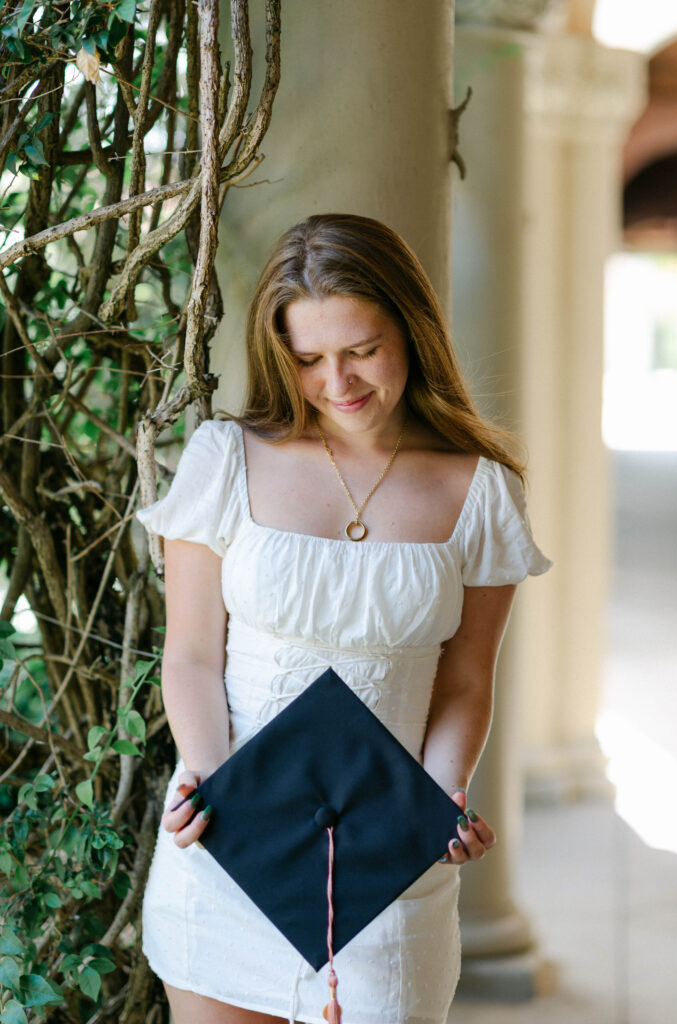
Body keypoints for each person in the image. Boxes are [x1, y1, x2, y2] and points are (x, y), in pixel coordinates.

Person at [136, 213, 551, 1024]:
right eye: (309, 359)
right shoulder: (224, 460)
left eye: (362, 349)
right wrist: (209, 783)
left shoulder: (481, 491)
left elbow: (466, 682)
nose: (339, 382)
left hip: (388, 856)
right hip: (226, 839)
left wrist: (443, 796)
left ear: (412, 327)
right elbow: (189, 656)